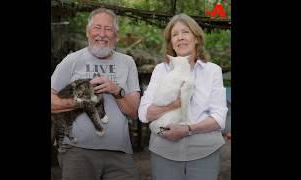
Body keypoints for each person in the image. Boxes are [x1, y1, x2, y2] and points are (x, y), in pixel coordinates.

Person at [51, 8, 140, 180]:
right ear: (88, 32)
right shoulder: (72, 60)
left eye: (108, 29)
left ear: (116, 35)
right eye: (97, 27)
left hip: (119, 151)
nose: (102, 34)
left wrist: (116, 90)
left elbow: (134, 112)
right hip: (78, 151)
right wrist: (80, 101)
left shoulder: (127, 62)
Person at [138, 13, 228, 180]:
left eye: (185, 32)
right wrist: (175, 104)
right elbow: (144, 113)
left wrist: (187, 129)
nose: (180, 38)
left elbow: (219, 118)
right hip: (165, 150)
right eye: (174, 34)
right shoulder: (161, 70)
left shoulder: (212, 70)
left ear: (196, 38)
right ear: (171, 42)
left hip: (204, 151)